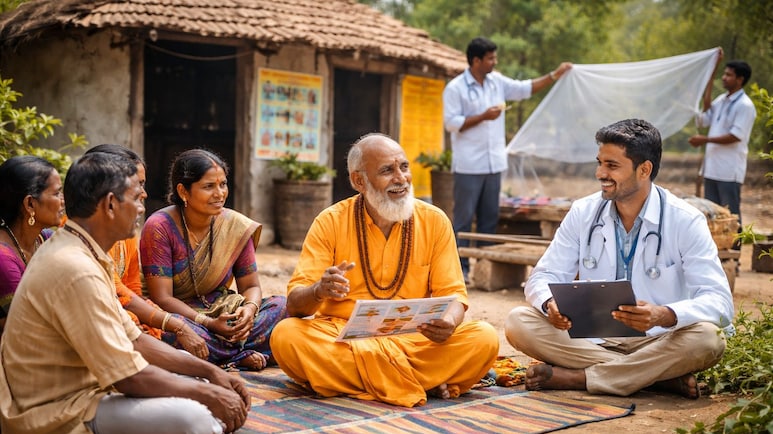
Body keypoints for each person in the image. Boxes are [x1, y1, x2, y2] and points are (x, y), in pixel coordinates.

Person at [0, 152, 249, 434]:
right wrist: (208, 394)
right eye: (136, 197)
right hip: (57, 411)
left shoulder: (83, 252)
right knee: (194, 416)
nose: (143, 206)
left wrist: (210, 372)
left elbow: (137, 341)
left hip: (90, 393)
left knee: (200, 387)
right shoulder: (74, 267)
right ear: (109, 204)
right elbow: (130, 376)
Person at [505, 119, 734, 400]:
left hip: (659, 339)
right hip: (590, 339)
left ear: (644, 170)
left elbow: (720, 303)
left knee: (710, 338)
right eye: (599, 163)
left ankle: (581, 378)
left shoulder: (685, 220)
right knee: (519, 322)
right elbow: (543, 276)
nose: (600, 173)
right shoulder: (583, 212)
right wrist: (550, 303)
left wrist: (663, 314)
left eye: (612, 166)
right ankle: (654, 379)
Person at [269, 133, 499, 407]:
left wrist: (448, 323)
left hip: (415, 340)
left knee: (484, 338)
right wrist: (319, 290)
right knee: (286, 336)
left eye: (404, 167)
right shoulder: (329, 222)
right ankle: (421, 382)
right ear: (359, 181)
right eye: (387, 171)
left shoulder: (434, 221)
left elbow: (454, 296)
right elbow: (296, 307)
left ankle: (361, 384)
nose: (401, 179)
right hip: (345, 339)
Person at [141, 148, 287, 370]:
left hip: (223, 309)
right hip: (183, 316)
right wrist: (208, 323)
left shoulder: (235, 226)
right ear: (183, 191)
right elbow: (162, 298)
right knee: (166, 333)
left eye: (223, 184)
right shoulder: (160, 227)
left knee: (283, 307)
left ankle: (224, 354)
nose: (220, 194)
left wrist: (248, 311)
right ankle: (239, 354)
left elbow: (251, 285)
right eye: (209, 187)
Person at [443, 36, 572, 282]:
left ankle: (483, 270)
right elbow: (451, 123)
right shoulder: (455, 88)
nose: (495, 61)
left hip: (494, 163)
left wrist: (554, 75)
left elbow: (525, 89)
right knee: (463, 220)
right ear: (476, 60)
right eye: (491, 58)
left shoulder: (497, 83)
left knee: (489, 220)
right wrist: (483, 116)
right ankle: (460, 272)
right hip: (469, 165)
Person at [85, 144, 208, 358]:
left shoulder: (126, 232)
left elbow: (132, 288)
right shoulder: (83, 238)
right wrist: (174, 325)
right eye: (137, 186)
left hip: (128, 315)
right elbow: (118, 296)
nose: (144, 194)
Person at [689, 53, 756, 251]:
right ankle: (717, 252)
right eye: (724, 74)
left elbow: (736, 136)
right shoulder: (722, 100)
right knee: (712, 213)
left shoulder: (745, 106)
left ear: (739, 79)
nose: (724, 78)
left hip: (729, 169)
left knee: (731, 214)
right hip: (712, 168)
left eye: (728, 75)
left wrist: (705, 139)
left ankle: (734, 254)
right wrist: (710, 76)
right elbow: (705, 116)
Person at [0, 156, 65, 335]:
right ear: (30, 204)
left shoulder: (45, 239)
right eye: (56, 193)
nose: (63, 201)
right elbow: (26, 328)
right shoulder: (3, 259)